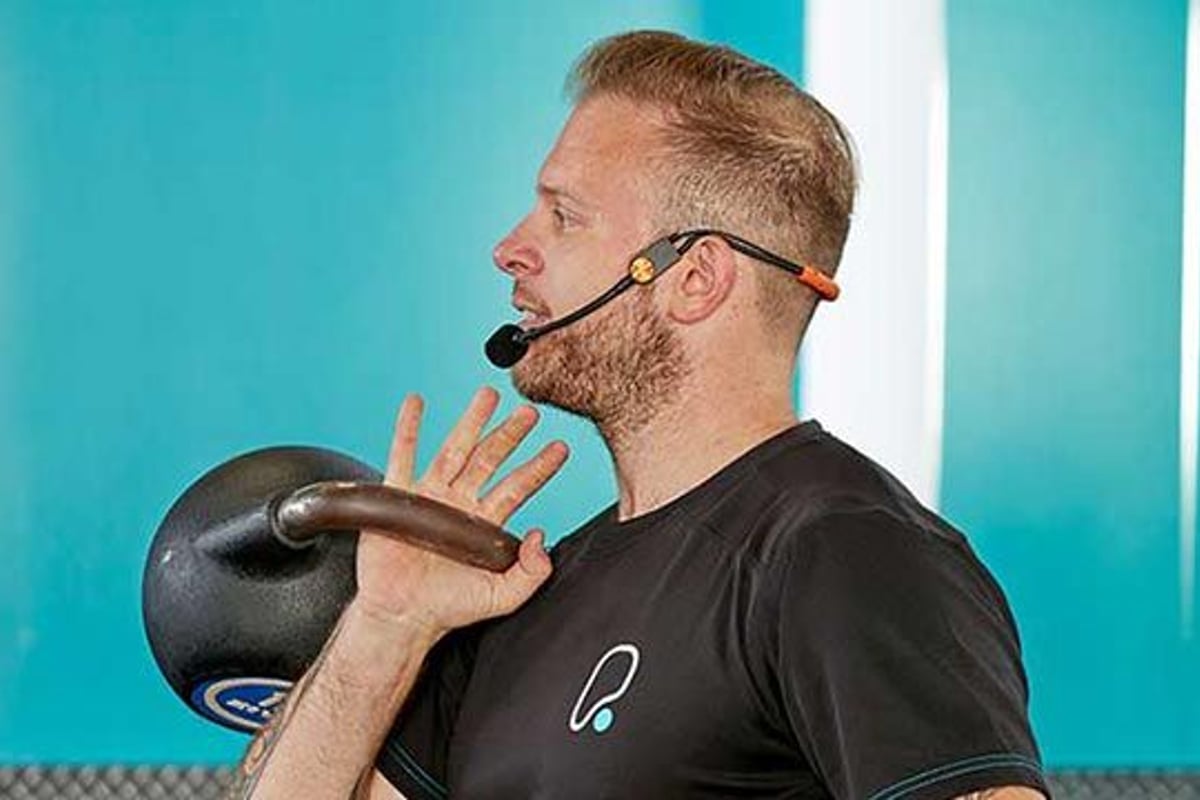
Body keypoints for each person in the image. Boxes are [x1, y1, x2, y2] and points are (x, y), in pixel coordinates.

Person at [229, 30, 1049, 800]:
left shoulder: (843, 550)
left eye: (563, 215)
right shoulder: (523, 594)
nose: (511, 247)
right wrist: (386, 627)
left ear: (694, 279)